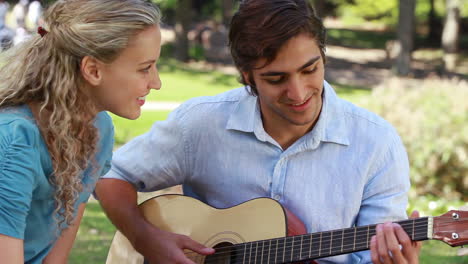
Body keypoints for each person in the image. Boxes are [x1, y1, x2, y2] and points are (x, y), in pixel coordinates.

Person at [96, 0, 421, 263]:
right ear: (246, 76)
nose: (298, 93)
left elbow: (376, 250)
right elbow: (111, 177)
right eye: (276, 79)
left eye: (310, 69)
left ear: (323, 56)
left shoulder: (377, 143)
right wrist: (145, 238)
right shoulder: (199, 125)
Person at [0, 0, 162, 263]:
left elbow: (60, 244)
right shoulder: (12, 142)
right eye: (145, 68)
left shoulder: (99, 129)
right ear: (92, 70)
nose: (156, 83)